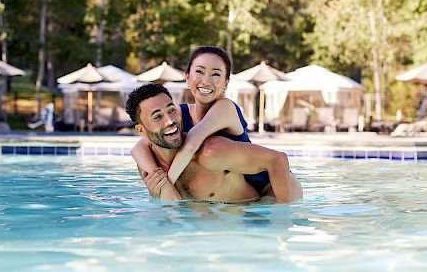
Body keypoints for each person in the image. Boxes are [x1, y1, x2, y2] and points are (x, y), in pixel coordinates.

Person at [131, 46, 280, 197]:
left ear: (226, 83)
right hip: (241, 190)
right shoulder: (176, 113)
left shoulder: (225, 108)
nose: (206, 81)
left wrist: (166, 187)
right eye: (199, 72)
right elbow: (140, 146)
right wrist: (156, 179)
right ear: (187, 77)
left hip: (271, 184)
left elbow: (190, 146)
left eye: (215, 74)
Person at [125, 82, 303, 203]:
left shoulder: (211, 152)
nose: (170, 121)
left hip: (251, 221)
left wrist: (281, 219)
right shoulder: (149, 167)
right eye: (157, 117)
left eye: (172, 110)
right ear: (141, 130)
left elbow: (278, 160)